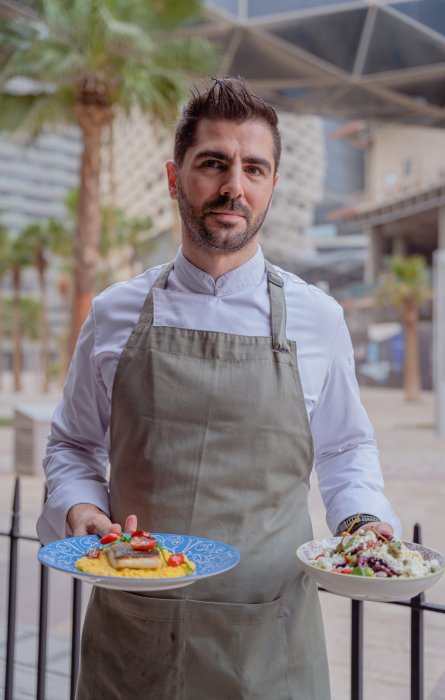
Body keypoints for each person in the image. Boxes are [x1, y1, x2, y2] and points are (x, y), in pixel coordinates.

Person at [37, 77, 400, 700]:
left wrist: (363, 521)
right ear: (174, 177)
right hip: (133, 636)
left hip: (268, 642)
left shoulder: (318, 318)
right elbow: (72, 444)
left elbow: (345, 448)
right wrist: (81, 509)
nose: (235, 186)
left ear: (272, 185)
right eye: (213, 163)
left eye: (254, 168)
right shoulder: (114, 312)